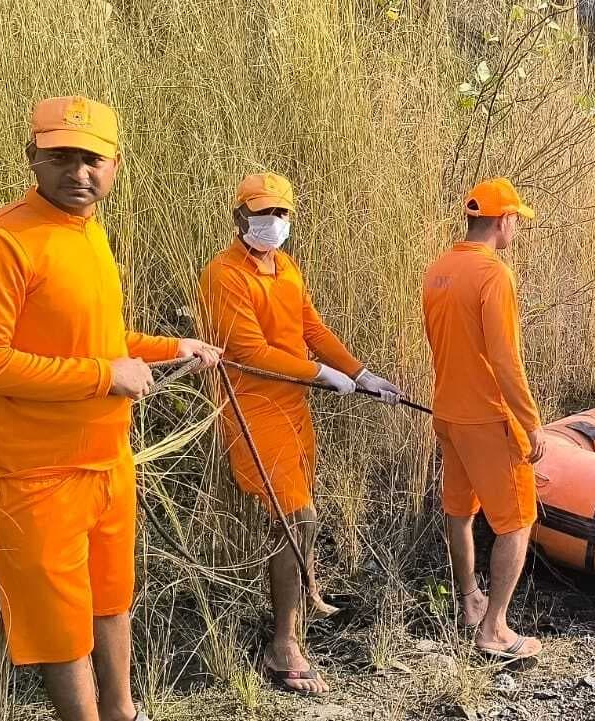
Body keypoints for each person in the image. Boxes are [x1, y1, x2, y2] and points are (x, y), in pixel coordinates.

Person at [0, 95, 222, 721]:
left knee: (111, 599)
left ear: (115, 165)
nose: (78, 173)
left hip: (108, 464)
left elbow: (99, 340)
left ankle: (122, 711)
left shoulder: (91, 234)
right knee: (61, 625)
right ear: (32, 158)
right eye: (61, 157)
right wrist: (105, 377)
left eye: (91, 159)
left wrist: (170, 347)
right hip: (37, 476)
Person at [198, 172, 404, 695]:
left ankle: (306, 591)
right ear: (239, 215)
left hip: (295, 408)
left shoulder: (286, 264)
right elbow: (247, 351)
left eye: (282, 213)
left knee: (302, 507)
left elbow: (311, 328)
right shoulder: (224, 274)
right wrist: (321, 374)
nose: (274, 222)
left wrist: (359, 373)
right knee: (296, 517)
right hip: (252, 409)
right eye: (264, 212)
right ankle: (283, 643)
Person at [421, 177, 546, 661]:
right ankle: (494, 630)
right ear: (504, 220)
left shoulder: (439, 270)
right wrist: (530, 422)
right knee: (517, 521)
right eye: (516, 219)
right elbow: (505, 358)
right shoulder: (494, 275)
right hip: (490, 419)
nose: (517, 228)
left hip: (448, 412)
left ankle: (469, 600)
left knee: (459, 510)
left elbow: (439, 343)